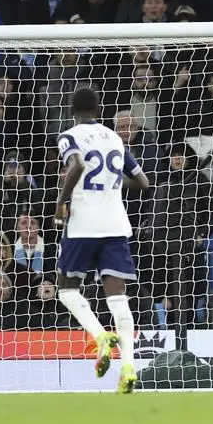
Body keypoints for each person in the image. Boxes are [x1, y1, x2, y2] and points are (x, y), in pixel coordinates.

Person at [52, 87, 150, 394]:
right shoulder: (115, 139)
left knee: (67, 289)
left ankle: (99, 336)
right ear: (99, 109)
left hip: (82, 224)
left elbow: (78, 165)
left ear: (72, 111)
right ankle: (130, 368)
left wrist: (61, 201)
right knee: (117, 297)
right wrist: (113, 183)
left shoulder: (69, 136)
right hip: (115, 223)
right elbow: (144, 182)